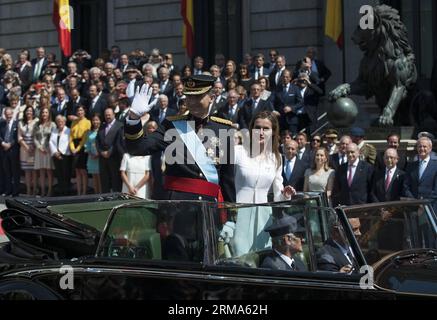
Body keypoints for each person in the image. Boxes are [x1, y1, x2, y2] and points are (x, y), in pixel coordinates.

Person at [124, 74, 236, 203]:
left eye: (198, 96)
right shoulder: (171, 125)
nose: (192, 102)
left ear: (212, 97)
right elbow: (138, 148)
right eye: (189, 97)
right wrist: (133, 118)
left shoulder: (223, 129)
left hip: (209, 207)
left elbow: (227, 179)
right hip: (178, 206)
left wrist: (231, 216)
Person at [231, 111, 295, 256]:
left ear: (273, 132)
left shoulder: (276, 158)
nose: (260, 132)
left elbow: (278, 195)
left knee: (261, 256)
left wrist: (285, 194)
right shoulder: (237, 152)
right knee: (238, 256)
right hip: (237, 214)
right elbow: (226, 183)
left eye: (266, 128)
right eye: (257, 127)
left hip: (264, 217)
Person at [403, 137, 437, 208]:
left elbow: (435, 190)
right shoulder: (410, 166)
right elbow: (406, 186)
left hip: (430, 207)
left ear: (430, 148)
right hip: (413, 207)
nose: (422, 149)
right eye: (419, 146)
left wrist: (424, 203)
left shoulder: (435, 166)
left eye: (424, 146)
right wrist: (415, 202)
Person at [33, 106, 56, 197]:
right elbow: (34, 137)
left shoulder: (53, 124)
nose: (44, 114)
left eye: (46, 112)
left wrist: (47, 148)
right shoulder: (37, 124)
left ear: (49, 114)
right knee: (41, 171)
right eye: (43, 112)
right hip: (39, 151)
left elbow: (54, 138)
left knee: (49, 171)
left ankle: (50, 191)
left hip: (48, 150)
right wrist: (39, 147)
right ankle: (42, 191)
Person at [69, 105, 91, 195]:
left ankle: (84, 191)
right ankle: (78, 192)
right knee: (77, 170)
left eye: (81, 110)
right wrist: (72, 148)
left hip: (82, 146)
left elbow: (85, 137)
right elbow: (70, 136)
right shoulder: (74, 121)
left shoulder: (87, 122)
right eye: (78, 111)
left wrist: (77, 149)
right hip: (74, 146)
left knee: (83, 171)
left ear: (84, 112)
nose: (79, 112)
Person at [49, 115, 72, 196]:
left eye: (61, 121)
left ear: (65, 122)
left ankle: (66, 192)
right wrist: (55, 152)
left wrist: (61, 152)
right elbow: (51, 142)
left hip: (65, 155)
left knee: (66, 174)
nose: (60, 123)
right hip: (56, 155)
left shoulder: (68, 130)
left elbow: (68, 142)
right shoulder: (54, 130)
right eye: (58, 121)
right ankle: (61, 191)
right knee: (59, 174)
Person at [18, 106, 37, 195]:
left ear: (33, 112)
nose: (29, 112)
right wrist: (27, 147)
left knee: (34, 171)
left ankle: (35, 190)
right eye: (27, 111)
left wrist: (33, 146)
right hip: (25, 150)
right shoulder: (21, 123)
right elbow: (19, 137)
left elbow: (38, 135)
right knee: (27, 171)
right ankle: (28, 190)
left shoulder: (36, 121)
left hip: (34, 149)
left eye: (31, 111)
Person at [84, 113, 102, 194]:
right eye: (94, 120)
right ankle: (96, 194)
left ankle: (101, 194)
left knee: (100, 177)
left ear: (100, 121)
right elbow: (87, 144)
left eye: (97, 120)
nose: (95, 122)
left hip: (100, 157)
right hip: (91, 157)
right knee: (94, 177)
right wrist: (90, 153)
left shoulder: (102, 131)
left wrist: (98, 154)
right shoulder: (89, 132)